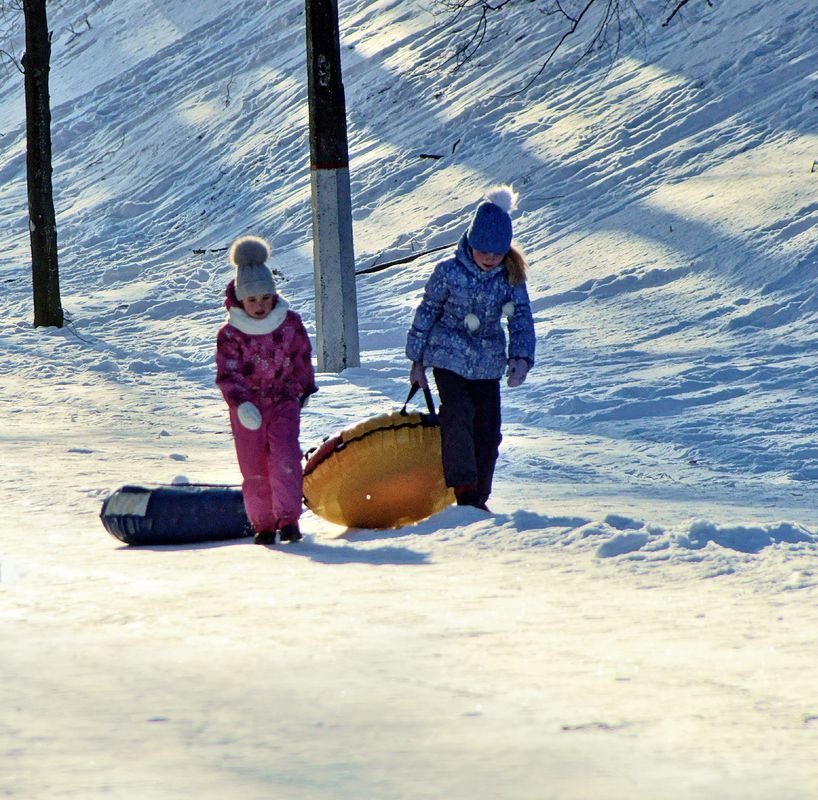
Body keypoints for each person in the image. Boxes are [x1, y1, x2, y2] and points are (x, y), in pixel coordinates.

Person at [406, 185, 535, 511]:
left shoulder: (510, 277)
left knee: (488, 429)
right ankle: (464, 491)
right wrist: (417, 360)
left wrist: (520, 357)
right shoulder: (447, 272)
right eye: (483, 252)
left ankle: (479, 496)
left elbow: (521, 318)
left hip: (488, 361)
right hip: (447, 354)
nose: (490, 259)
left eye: (497, 253)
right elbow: (427, 312)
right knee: (459, 414)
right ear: (470, 243)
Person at [216, 235, 317, 545]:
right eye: (252, 300)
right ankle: (262, 523)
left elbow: (301, 357)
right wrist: (240, 403)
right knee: (254, 464)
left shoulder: (288, 324)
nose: (260, 306)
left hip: (284, 399)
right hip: (248, 409)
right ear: (240, 300)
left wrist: (302, 390)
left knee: (285, 457)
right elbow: (227, 374)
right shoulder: (231, 334)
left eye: (265, 298)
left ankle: (288, 519)